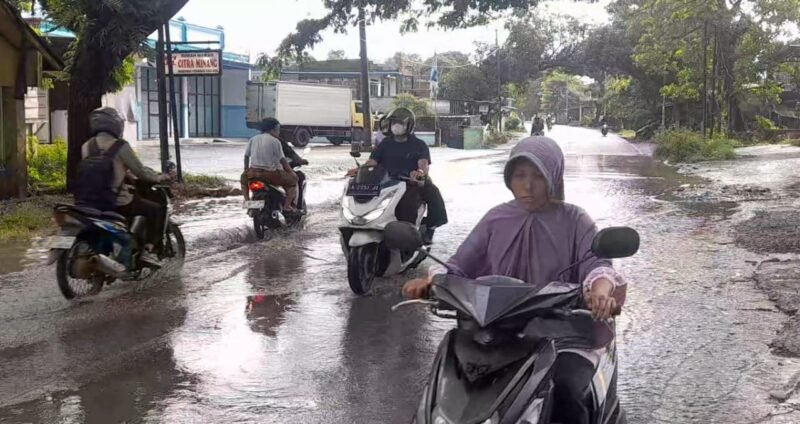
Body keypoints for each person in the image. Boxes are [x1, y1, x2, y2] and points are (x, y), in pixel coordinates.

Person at [403, 136, 627, 424]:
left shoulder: (575, 220)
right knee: (447, 388)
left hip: (564, 333)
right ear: (509, 178)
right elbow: (458, 265)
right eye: (520, 175)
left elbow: (599, 265)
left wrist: (600, 291)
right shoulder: (496, 219)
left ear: (553, 176)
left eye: (537, 175)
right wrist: (431, 281)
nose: (528, 185)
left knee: (568, 393)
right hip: (498, 330)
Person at [78, 107, 170, 267]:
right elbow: (141, 172)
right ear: (116, 125)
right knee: (155, 209)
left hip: (87, 202)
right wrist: (159, 177)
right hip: (115, 202)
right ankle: (148, 250)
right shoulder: (121, 146)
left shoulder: (86, 146)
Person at [347, 107, 448, 242]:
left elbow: (423, 164)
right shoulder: (385, 144)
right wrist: (359, 170)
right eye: (393, 122)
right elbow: (372, 162)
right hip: (386, 182)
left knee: (424, 196)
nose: (396, 126)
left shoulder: (419, 145)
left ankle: (426, 228)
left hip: (409, 183)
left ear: (409, 125)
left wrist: (419, 173)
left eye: (400, 123)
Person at [241, 118, 299, 212]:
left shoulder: (253, 139)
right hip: (270, 174)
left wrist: (246, 170)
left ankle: (248, 203)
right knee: (293, 181)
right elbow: (283, 160)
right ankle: (287, 206)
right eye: (278, 129)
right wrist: (291, 172)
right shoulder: (275, 141)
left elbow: (246, 156)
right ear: (273, 129)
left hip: (253, 173)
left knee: (244, 182)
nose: (279, 132)